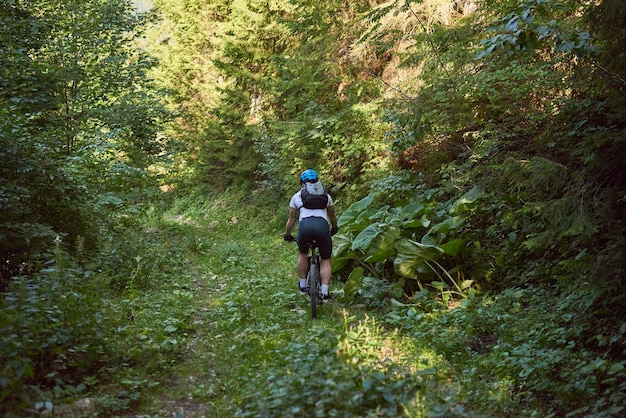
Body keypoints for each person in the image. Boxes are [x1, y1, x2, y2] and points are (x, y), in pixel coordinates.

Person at [283, 169, 338, 301]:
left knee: (303, 254)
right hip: (322, 227)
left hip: (305, 227)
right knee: (325, 259)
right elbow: (332, 216)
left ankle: (302, 286)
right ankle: (324, 292)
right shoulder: (326, 196)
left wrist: (287, 234)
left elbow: (291, 219)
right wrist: (335, 228)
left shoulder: (297, 196)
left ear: (302, 183)